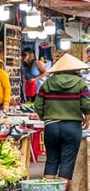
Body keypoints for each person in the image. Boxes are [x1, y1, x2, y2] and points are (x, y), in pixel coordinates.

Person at [33, 53, 90, 183]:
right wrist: (87, 117)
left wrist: (45, 117)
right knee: (67, 161)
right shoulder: (80, 84)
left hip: (51, 126)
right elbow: (87, 104)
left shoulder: (47, 83)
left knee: (52, 160)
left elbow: (38, 104)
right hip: (72, 127)